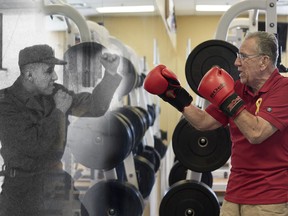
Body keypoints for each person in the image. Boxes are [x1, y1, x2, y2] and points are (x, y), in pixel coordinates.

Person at [144, 31, 288, 216]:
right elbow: (203, 122)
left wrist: (228, 99)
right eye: (237, 56)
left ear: (264, 61)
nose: (237, 62)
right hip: (235, 193)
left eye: (243, 56)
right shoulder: (238, 89)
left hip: (269, 199)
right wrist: (174, 95)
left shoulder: (283, 90)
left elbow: (256, 133)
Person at [0, 44, 122, 216]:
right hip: (22, 192)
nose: (55, 76)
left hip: (56, 184)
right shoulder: (5, 103)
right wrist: (58, 112)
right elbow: (33, 145)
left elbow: (95, 107)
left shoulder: (55, 93)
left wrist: (110, 74)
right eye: (49, 71)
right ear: (29, 75)